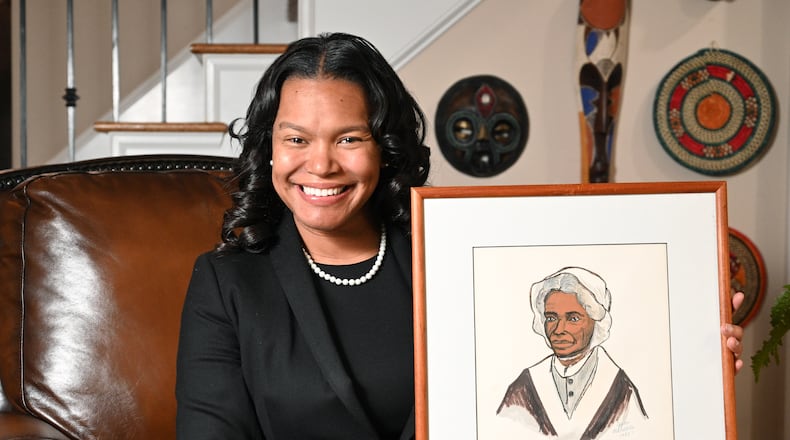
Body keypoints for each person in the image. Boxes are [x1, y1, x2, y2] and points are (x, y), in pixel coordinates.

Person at [175, 32, 744, 440]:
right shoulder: (227, 285)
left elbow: (548, 394)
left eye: (348, 138)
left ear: (385, 148)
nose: (320, 166)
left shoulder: (460, 263)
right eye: (296, 139)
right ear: (269, 149)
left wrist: (688, 352)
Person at [496, 267, 647, 439]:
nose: (559, 330)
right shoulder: (523, 387)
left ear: (596, 321)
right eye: (551, 318)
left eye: (573, 318)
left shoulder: (621, 389)